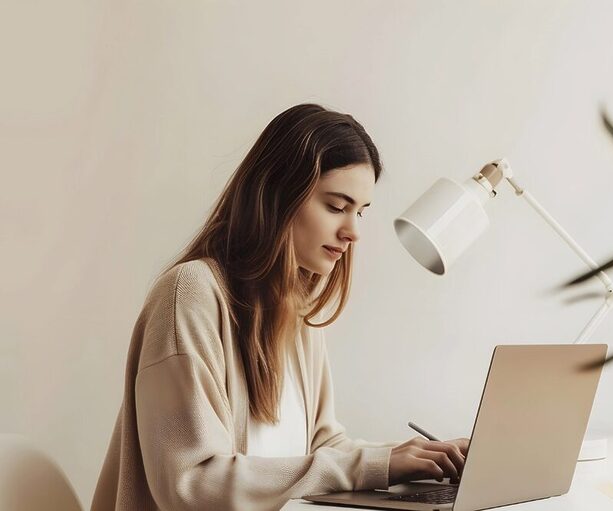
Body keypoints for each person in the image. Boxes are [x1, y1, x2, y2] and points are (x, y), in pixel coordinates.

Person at [91, 104, 469, 511]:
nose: (353, 232)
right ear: (277, 193)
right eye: (336, 206)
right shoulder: (190, 294)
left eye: (360, 212)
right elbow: (193, 485)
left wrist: (413, 459)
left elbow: (322, 445)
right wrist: (373, 465)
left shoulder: (298, 310)